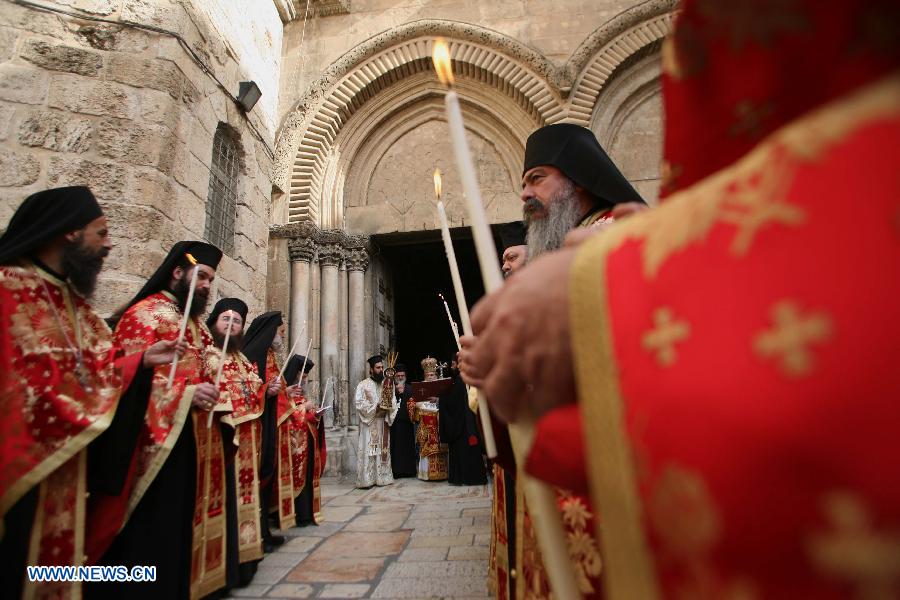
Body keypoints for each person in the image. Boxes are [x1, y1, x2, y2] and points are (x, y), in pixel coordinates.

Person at [462, 1, 900, 597]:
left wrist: (600, 285)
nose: (527, 197)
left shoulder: (614, 239)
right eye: (523, 184)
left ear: (579, 179)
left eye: (538, 179)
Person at [0, 187, 183, 600]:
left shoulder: (75, 306)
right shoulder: (8, 291)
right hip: (23, 465)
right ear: (69, 234)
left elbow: (100, 370)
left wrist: (141, 362)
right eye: (100, 233)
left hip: (69, 468)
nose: (109, 243)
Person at [92, 241, 223, 600]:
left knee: (176, 525)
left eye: (211, 279)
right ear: (178, 273)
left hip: (190, 436)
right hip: (152, 441)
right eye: (202, 276)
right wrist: (185, 394)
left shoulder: (196, 324)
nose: (207, 286)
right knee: (151, 527)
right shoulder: (144, 314)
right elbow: (125, 379)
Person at [206, 298, 265, 588]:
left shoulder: (242, 360)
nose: (230, 325)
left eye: (237, 321)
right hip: (223, 441)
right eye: (225, 319)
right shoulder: (207, 355)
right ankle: (225, 565)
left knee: (245, 500)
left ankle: (245, 559)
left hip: (247, 443)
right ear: (214, 322)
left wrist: (269, 390)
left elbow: (254, 392)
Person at [521, 122, 644, 259]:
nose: (525, 194)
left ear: (576, 180)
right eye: (524, 186)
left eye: (536, 178)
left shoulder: (618, 233)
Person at [242, 311, 297, 550]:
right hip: (256, 431)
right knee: (255, 479)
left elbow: (276, 391)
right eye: (281, 332)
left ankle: (263, 530)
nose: (283, 337)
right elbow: (246, 392)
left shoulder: (271, 358)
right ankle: (253, 535)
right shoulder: (253, 357)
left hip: (270, 429)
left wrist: (287, 393)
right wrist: (268, 391)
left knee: (266, 476)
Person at [283, 354, 327, 526]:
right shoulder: (285, 392)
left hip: (307, 443)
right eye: (302, 377)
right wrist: (304, 408)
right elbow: (284, 414)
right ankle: (298, 514)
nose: (304, 382)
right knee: (297, 476)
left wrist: (316, 414)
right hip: (293, 444)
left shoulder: (302, 395)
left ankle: (307, 512)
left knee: (308, 475)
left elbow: (306, 416)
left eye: (307, 378)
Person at [354, 355, 398, 488]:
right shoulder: (363, 385)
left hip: (383, 422)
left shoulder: (388, 384)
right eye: (378, 368)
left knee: (382, 451)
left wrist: (389, 407)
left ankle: (382, 478)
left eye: (382, 367)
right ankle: (367, 479)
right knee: (369, 450)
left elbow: (394, 401)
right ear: (371, 369)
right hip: (370, 422)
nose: (381, 370)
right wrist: (375, 407)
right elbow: (359, 403)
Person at [439, 371, 486, 486]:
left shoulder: (460, 382)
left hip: (462, 427)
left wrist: (442, 396)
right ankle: (474, 478)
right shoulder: (468, 381)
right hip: (469, 426)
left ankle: (462, 478)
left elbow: (452, 404)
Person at [409, 356, 449, 481]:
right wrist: (417, 405)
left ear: (435, 374)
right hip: (425, 421)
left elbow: (449, 401)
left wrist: (438, 400)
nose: (430, 376)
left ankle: (442, 473)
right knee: (426, 447)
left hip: (438, 420)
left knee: (440, 447)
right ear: (425, 375)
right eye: (428, 375)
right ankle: (426, 473)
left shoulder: (441, 386)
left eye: (432, 374)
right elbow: (411, 402)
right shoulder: (420, 387)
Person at [389, 364, 417, 478]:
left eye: (402, 375)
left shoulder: (411, 388)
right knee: (396, 448)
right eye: (398, 375)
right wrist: (396, 392)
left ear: (405, 376)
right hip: (395, 423)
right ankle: (396, 471)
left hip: (407, 424)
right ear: (395, 376)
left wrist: (404, 392)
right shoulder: (390, 389)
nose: (400, 377)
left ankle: (409, 471)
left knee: (407, 448)